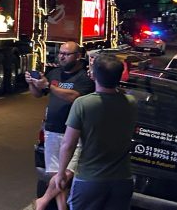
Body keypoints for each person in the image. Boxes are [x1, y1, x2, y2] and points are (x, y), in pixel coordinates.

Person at [52, 53, 137, 210]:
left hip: (90, 180)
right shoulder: (131, 102)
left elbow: (68, 144)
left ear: (94, 75)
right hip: (123, 180)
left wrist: (61, 172)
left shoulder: (84, 104)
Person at [26, 41, 94, 210]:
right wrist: (32, 83)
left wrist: (49, 86)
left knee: (66, 173)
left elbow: (74, 97)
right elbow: (37, 94)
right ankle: (61, 207)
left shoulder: (84, 78)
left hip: (73, 133)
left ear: (78, 56)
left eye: (66, 54)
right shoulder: (54, 73)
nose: (61, 56)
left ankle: (42, 202)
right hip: (52, 131)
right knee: (55, 174)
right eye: (60, 53)